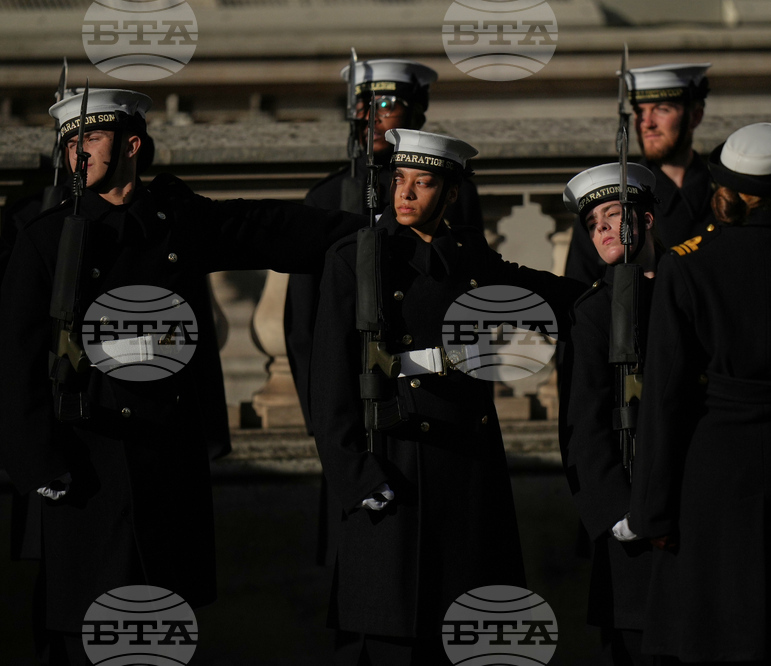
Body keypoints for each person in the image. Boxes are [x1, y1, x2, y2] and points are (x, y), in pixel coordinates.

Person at [0, 88, 365, 665]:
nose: (77, 153)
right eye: (70, 142)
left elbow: (263, 226)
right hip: (87, 463)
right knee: (83, 632)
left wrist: (371, 232)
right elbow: (15, 362)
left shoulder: (174, 220)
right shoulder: (47, 238)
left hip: (164, 457)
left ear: (133, 144)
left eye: (90, 138)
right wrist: (36, 461)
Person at [310, 128, 585, 665]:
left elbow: (535, 289)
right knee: (393, 635)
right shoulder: (360, 258)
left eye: (424, 183)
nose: (406, 194)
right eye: (400, 180)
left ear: (452, 194)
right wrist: (355, 475)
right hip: (395, 463)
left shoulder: (467, 256)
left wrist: (616, 295)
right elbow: (330, 383)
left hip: (467, 468)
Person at [630, 123, 771, 664]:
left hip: (717, 469)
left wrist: (652, 511)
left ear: (726, 189)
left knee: (721, 633)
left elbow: (666, 397)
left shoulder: (685, 264)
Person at [285, 58, 483, 435]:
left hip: (438, 400)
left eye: (387, 105)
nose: (371, 116)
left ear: (416, 112)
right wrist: (324, 422)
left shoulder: (458, 194)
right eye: (363, 106)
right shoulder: (326, 196)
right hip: (352, 397)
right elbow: (303, 325)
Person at [561, 163, 660, 665]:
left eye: (612, 214)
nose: (600, 228)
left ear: (645, 221)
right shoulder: (593, 312)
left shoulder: (685, 290)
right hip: (628, 515)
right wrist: (615, 510)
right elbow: (584, 425)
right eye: (592, 221)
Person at [564, 63, 715, 284]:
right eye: (639, 111)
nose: (647, 123)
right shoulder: (607, 202)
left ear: (695, 116)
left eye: (662, 109)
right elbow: (580, 290)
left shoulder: (724, 194)